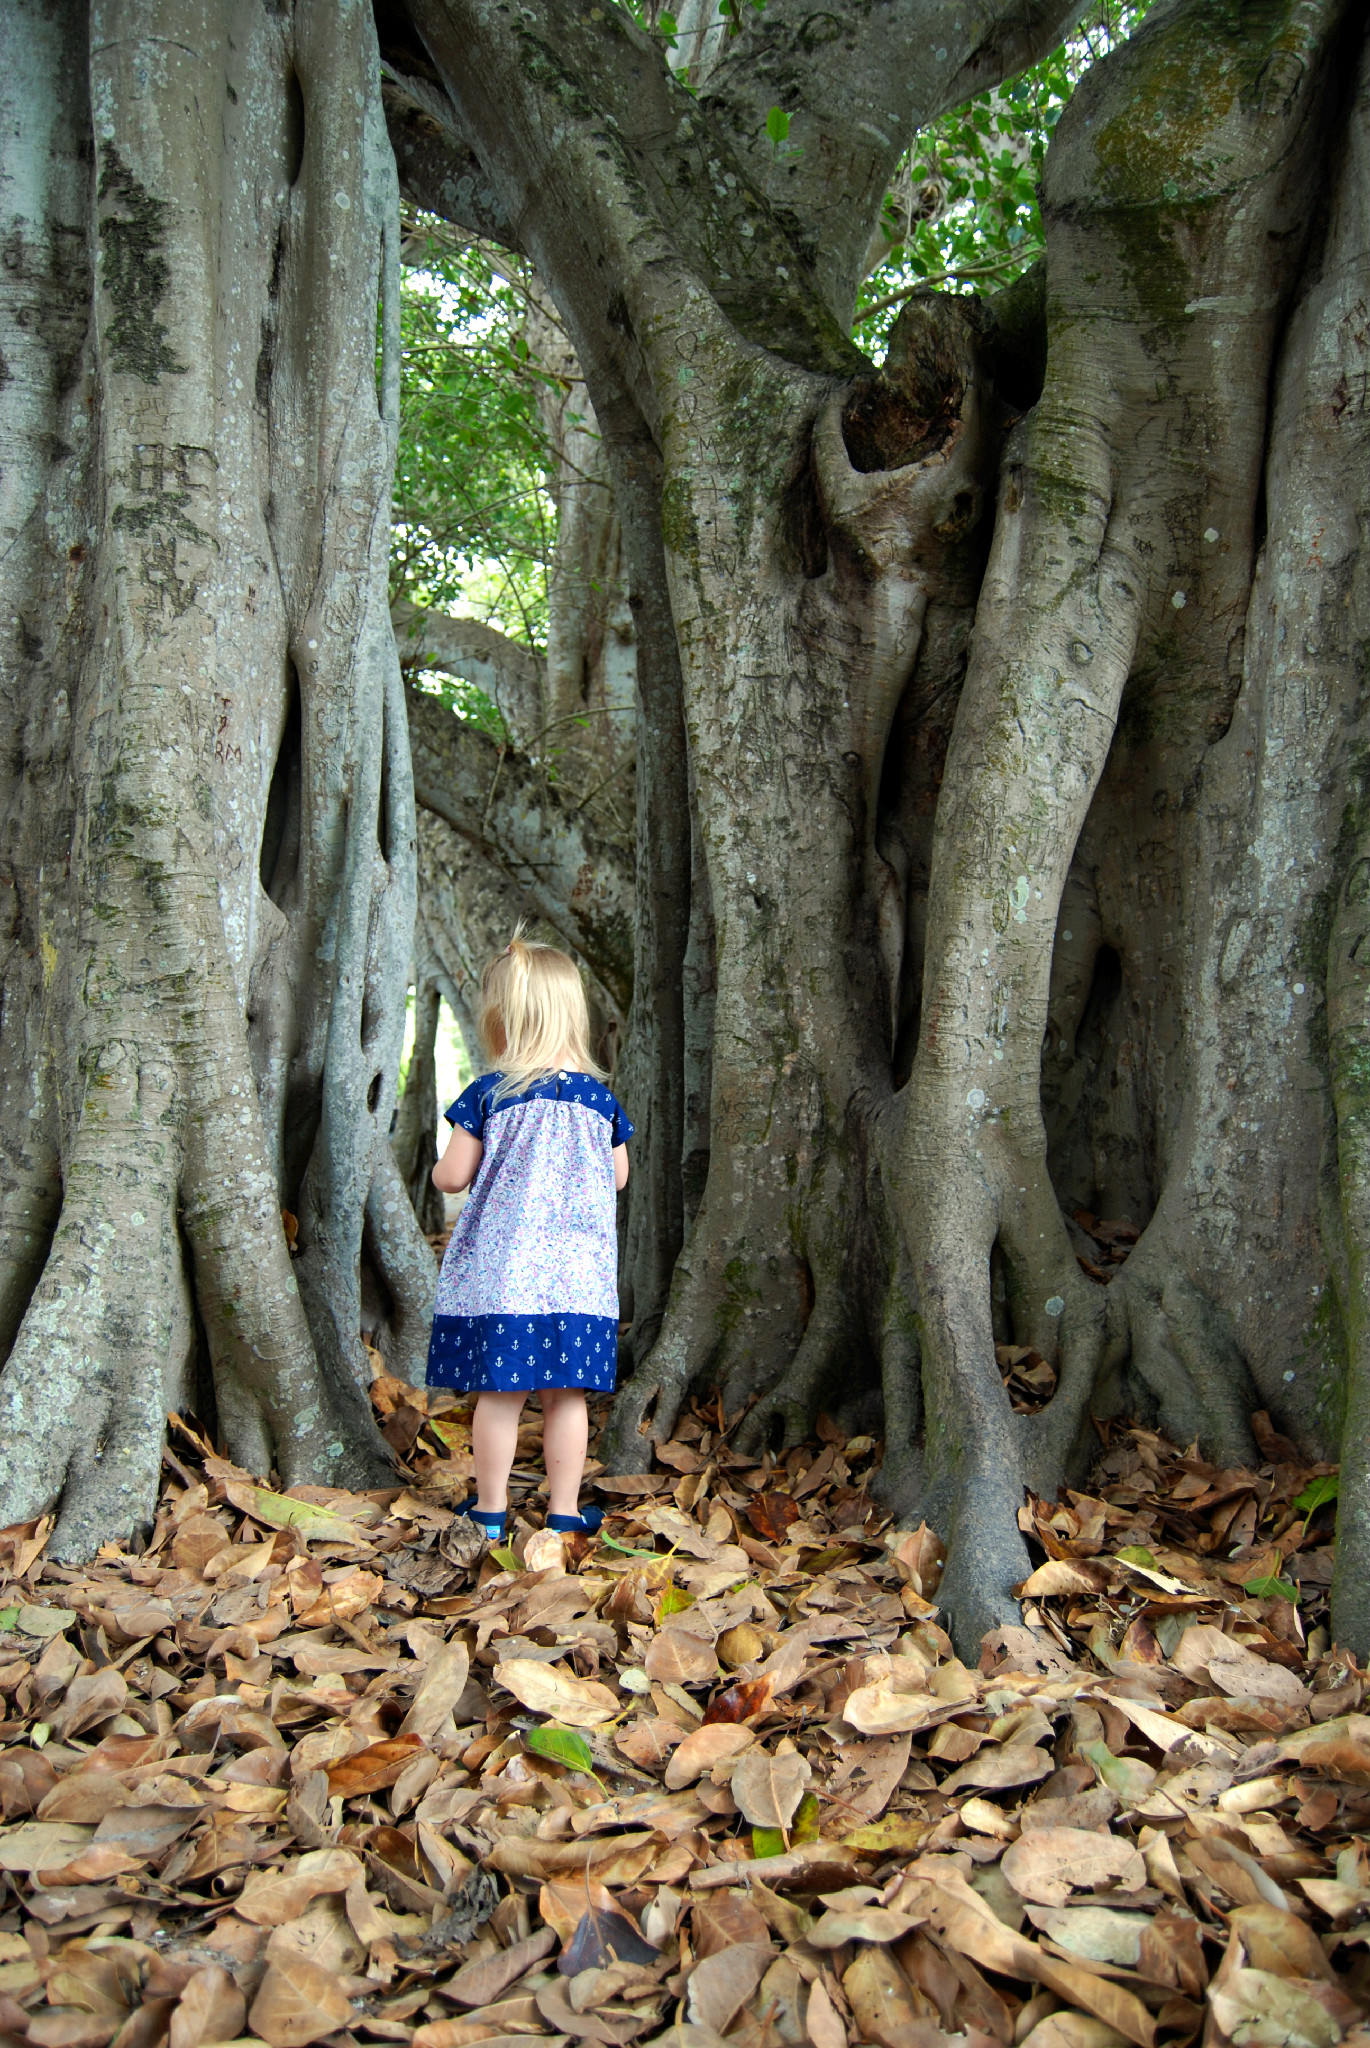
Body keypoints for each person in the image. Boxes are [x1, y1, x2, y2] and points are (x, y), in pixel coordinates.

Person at [427, 928, 632, 1540]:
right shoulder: (600, 1102)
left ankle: (490, 1511)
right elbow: (619, 1178)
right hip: (577, 1283)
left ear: (502, 1022)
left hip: (507, 1279)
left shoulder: (489, 1096)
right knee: (566, 1398)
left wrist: (441, 1166)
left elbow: (452, 1177)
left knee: (500, 1397)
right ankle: (565, 1511)